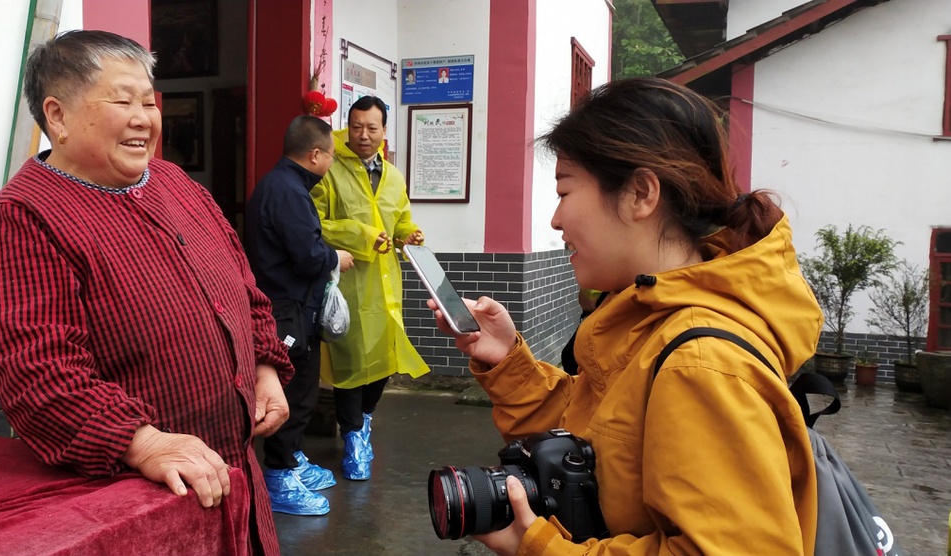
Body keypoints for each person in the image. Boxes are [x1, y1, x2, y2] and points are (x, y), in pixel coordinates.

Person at [427, 77, 823, 555]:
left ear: (640, 194)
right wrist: (507, 362)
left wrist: (541, 548)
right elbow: (599, 436)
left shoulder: (699, 363)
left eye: (565, 192)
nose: (556, 220)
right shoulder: (645, 317)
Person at [0, 30, 291, 555]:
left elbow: (243, 286)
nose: (145, 117)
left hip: (236, 484)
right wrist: (142, 443)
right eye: (123, 100)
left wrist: (262, 366)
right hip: (135, 508)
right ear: (58, 115)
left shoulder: (174, 182)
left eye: (148, 100)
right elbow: (40, 375)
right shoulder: (25, 219)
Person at [311, 95, 430, 481]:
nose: (363, 135)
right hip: (346, 283)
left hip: (385, 285)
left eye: (372, 128)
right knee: (349, 366)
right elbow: (316, 222)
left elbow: (399, 222)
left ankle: (362, 421)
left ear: (384, 131)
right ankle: (352, 437)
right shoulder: (331, 169)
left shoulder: (394, 176)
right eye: (357, 126)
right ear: (349, 125)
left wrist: (406, 234)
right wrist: (363, 235)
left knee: (381, 362)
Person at [244, 115, 354, 516]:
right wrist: (335, 257)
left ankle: (291, 458)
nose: (331, 164)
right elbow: (307, 255)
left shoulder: (285, 185)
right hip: (285, 310)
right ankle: (278, 473)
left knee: (303, 388)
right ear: (314, 154)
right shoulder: (288, 191)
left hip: (294, 308)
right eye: (331, 156)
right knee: (290, 392)